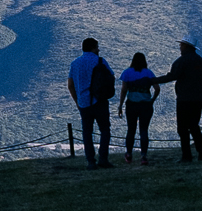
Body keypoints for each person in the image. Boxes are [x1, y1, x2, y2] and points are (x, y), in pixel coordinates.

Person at [66, 37, 116, 167]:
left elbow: (70, 85)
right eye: (97, 47)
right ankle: (103, 159)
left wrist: (77, 101)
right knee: (105, 129)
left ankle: (90, 161)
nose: (98, 49)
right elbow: (111, 77)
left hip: (83, 102)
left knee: (87, 132)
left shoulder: (75, 63)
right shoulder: (100, 61)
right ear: (93, 47)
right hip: (99, 100)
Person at [167, 41, 202, 161]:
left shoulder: (181, 61)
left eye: (181, 45)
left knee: (182, 128)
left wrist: (153, 81)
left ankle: (187, 155)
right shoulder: (199, 60)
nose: (180, 47)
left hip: (184, 98)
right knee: (194, 125)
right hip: (198, 97)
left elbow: (172, 76)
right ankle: (201, 150)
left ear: (186, 46)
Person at [119, 51, 160, 165]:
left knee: (131, 130)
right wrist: (152, 100)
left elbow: (123, 90)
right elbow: (157, 88)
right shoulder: (149, 73)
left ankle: (128, 154)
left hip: (131, 104)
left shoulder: (127, 73)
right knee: (144, 130)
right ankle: (143, 156)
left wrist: (120, 105)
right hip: (146, 104)